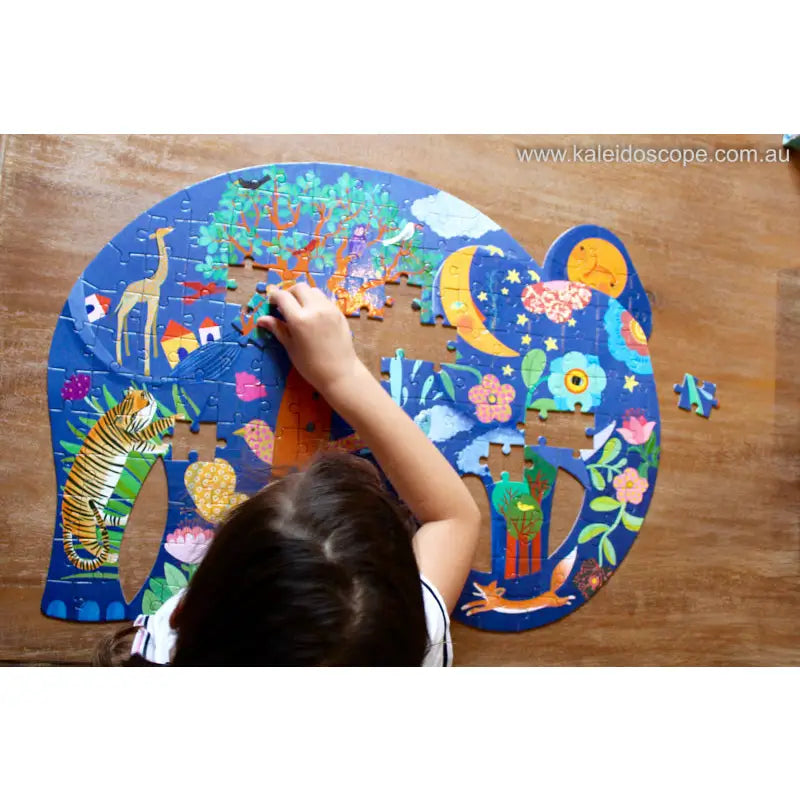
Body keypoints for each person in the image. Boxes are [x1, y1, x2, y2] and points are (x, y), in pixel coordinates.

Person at [95, 283, 480, 666]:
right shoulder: (402, 646)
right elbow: (454, 517)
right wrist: (342, 375)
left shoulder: (159, 651)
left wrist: (338, 376)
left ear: (180, 614)